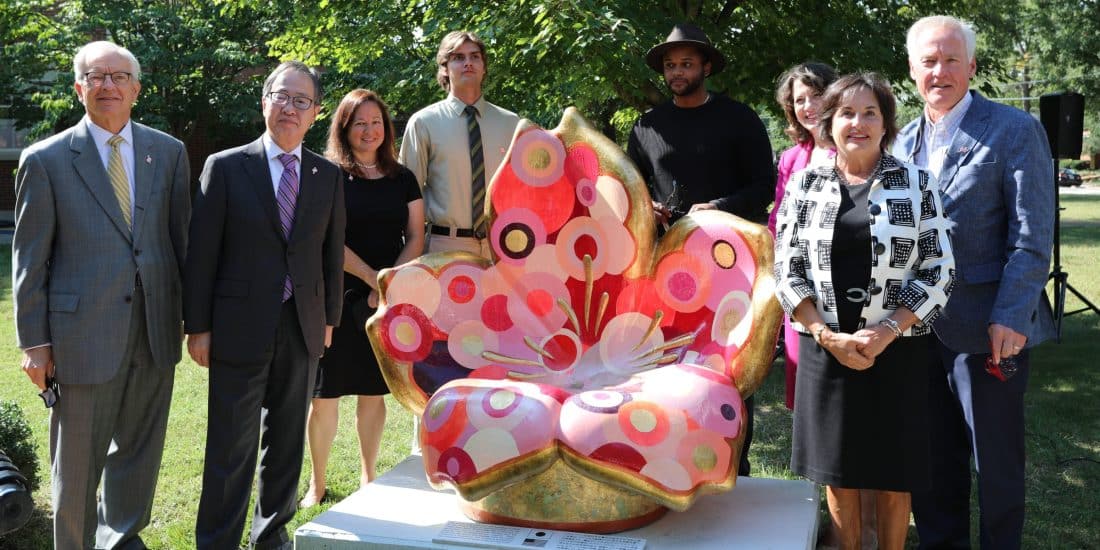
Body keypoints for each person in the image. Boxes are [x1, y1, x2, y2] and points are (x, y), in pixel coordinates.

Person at [12, 40, 190, 548]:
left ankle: (123, 538)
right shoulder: (44, 160)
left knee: (139, 449)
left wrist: (194, 323)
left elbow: (183, 244)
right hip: (80, 336)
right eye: (95, 77)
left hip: (155, 329)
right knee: (77, 459)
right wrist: (34, 344)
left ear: (136, 88)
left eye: (118, 77)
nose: (107, 85)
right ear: (78, 88)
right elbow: (29, 262)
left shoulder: (169, 152)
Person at [774, 72, 955, 550]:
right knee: (840, 476)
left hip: (898, 352)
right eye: (847, 113)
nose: (859, 122)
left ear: (886, 122)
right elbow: (785, 269)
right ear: (828, 123)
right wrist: (827, 335)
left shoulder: (916, 183)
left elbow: (939, 270)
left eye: (870, 112)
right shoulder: (804, 184)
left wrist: (888, 330)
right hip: (826, 351)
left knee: (896, 476)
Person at [894, 16, 1055, 549]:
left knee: (997, 465)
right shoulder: (899, 141)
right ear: (913, 69)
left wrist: (1012, 314)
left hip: (987, 330)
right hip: (914, 333)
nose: (939, 71)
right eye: (928, 61)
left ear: (972, 67)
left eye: (951, 60)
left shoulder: (1014, 129)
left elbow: (1032, 235)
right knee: (934, 465)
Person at [184, 60, 345, 549]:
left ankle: (271, 533)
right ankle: (217, 540)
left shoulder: (327, 175)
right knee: (231, 444)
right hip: (237, 326)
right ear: (264, 101)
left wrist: (330, 319)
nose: (290, 108)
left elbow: (331, 253)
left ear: (315, 113)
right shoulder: (227, 167)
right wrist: (199, 326)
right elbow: (202, 253)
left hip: (303, 324)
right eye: (281, 96)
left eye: (302, 101)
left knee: (288, 439)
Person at [627, 22, 774, 477]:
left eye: (687, 63)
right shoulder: (648, 126)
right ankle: (675, 465)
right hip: (669, 269)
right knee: (672, 367)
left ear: (706, 66)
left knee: (730, 367)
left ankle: (735, 469)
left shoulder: (739, 118)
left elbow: (765, 185)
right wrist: (645, 207)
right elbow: (631, 188)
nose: (677, 72)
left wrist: (721, 208)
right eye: (671, 65)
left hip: (731, 267)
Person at [300, 89, 425, 508]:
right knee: (325, 396)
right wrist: (372, 278)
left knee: (373, 394)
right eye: (360, 123)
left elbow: (417, 236)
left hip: (385, 301)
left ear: (386, 128)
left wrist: (387, 284)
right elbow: (324, 239)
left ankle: (369, 476)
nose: (369, 131)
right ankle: (316, 483)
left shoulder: (403, 177)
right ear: (344, 128)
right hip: (336, 297)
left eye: (376, 122)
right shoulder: (328, 174)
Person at [399, 30, 519, 258]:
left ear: (484, 67)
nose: (468, 63)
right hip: (443, 247)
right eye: (458, 58)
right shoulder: (423, 123)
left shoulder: (511, 124)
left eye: (475, 56)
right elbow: (407, 195)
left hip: (503, 246)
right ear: (444, 68)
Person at [771, 61, 838, 411]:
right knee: (806, 395)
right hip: (799, 292)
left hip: (841, 286)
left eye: (816, 96)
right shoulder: (791, 159)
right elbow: (777, 221)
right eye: (799, 100)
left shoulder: (853, 152)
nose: (808, 107)